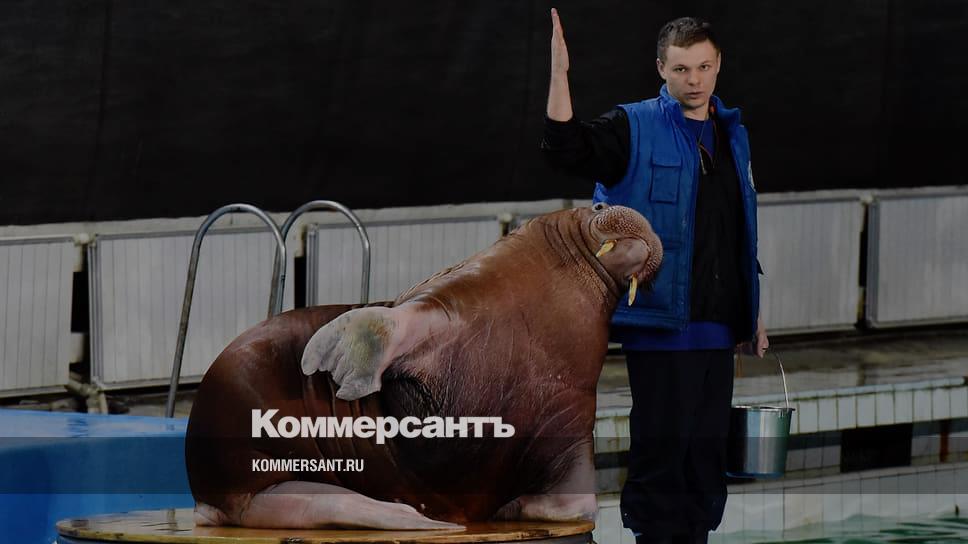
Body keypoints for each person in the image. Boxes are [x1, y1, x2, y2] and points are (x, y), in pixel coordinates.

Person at [541, 10, 769, 544]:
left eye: (704, 67)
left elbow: (737, 231)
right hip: (661, 327)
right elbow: (566, 148)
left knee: (705, 466)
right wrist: (558, 76)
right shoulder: (634, 127)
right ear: (662, 69)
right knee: (663, 457)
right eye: (682, 69)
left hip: (718, 328)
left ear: (719, 65)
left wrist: (752, 311)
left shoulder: (732, 133)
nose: (694, 80)